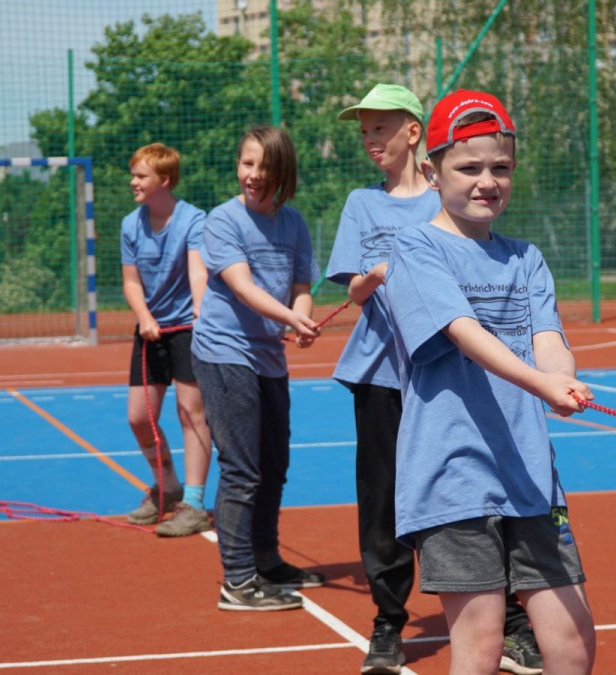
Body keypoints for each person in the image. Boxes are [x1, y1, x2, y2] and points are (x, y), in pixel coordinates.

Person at [327, 83, 545, 675]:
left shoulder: (456, 193)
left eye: (380, 127)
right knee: (384, 503)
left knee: (492, 493)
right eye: (364, 130)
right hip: (382, 372)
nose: (370, 139)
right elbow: (350, 291)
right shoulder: (362, 204)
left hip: (454, 377)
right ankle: (388, 623)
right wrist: (381, 273)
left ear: (415, 132)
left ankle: (513, 623)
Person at [384, 90, 599, 674]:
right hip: (452, 475)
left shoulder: (524, 258)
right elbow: (462, 329)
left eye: (500, 167)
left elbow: (547, 336)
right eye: (469, 167)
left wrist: (564, 379)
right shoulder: (415, 248)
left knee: (574, 642)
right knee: (478, 648)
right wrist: (540, 384)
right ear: (431, 171)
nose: (487, 181)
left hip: (528, 472)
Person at [191, 125, 327, 611]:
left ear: (282, 172)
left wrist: (303, 316)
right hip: (226, 353)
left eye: (263, 167)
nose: (252, 175)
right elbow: (242, 287)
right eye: (246, 164)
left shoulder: (294, 224)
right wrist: (291, 317)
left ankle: (267, 561)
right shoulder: (222, 221)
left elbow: (301, 284)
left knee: (274, 466)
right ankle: (238, 580)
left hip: (268, 357)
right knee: (243, 469)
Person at [119, 142, 213, 538]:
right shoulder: (130, 225)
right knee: (139, 418)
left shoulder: (194, 220)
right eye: (134, 174)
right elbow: (130, 280)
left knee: (191, 412)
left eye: (141, 176)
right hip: (149, 329)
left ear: (165, 180)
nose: (133, 182)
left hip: (186, 329)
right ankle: (167, 486)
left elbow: (198, 272)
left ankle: (192, 502)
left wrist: (199, 310)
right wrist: (144, 318)